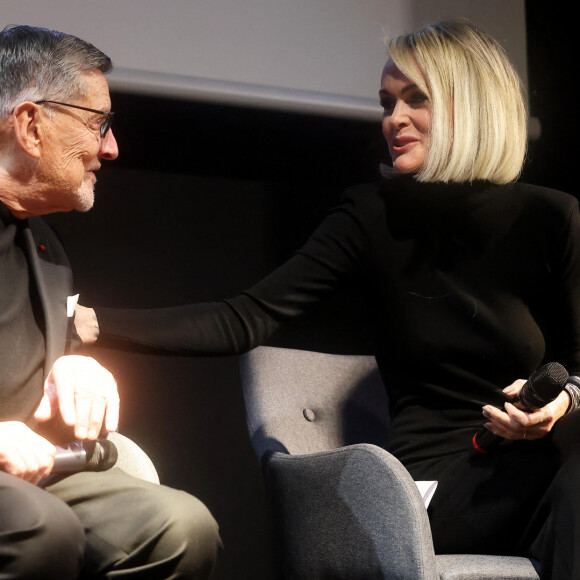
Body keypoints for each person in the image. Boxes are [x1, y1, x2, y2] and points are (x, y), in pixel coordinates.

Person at [76, 20, 580, 579]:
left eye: (417, 100)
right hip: (431, 490)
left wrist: (563, 404)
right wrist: (93, 322)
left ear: (474, 108)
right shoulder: (371, 215)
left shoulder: (552, 218)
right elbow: (245, 318)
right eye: (387, 102)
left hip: (541, 468)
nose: (395, 120)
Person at [0, 24, 221, 579]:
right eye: (97, 124)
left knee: (181, 526)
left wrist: (73, 363)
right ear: (30, 125)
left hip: (38, 468)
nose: (111, 147)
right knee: (42, 527)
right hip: (21, 491)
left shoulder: (46, 247)